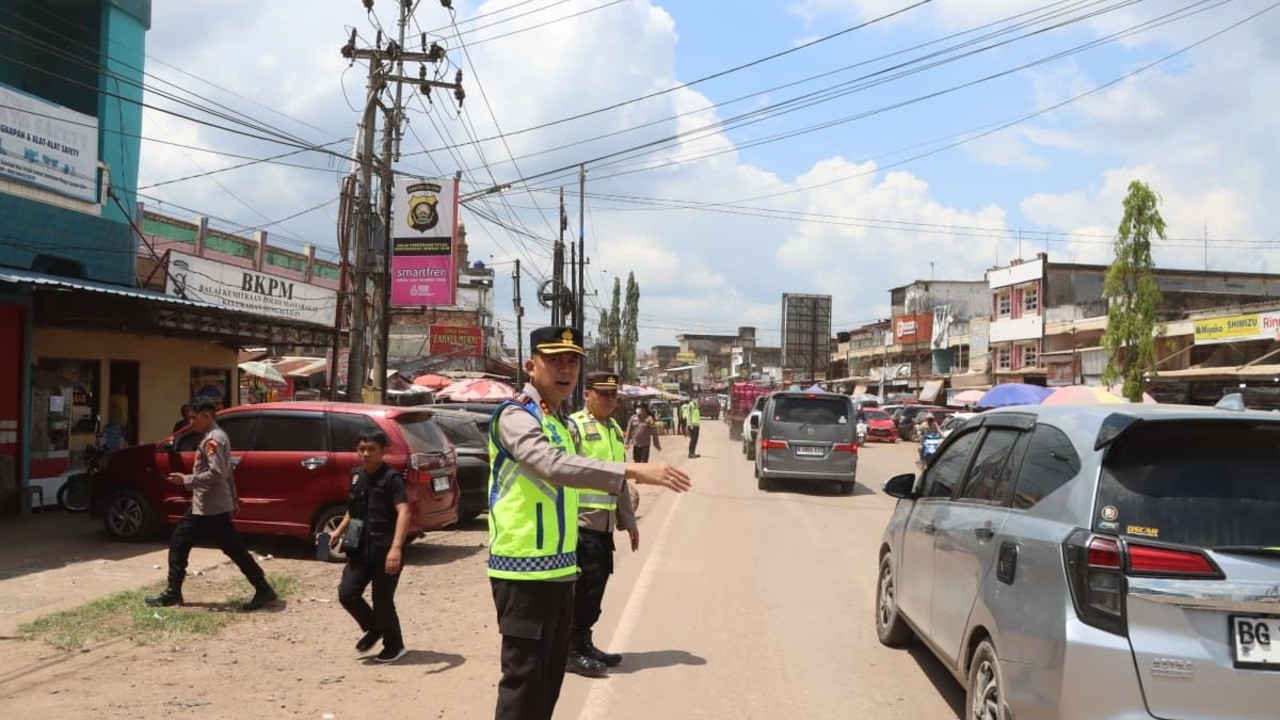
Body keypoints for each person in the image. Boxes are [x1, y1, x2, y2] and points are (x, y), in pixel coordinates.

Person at [488, 326, 692, 720]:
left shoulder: (557, 421)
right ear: (531, 366)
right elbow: (549, 464)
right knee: (523, 680)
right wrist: (632, 470)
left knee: (548, 680)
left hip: (561, 568)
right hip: (521, 570)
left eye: (573, 362)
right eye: (555, 360)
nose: (566, 369)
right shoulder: (516, 416)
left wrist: (625, 515)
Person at [146, 399, 276, 611]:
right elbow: (228, 472)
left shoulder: (213, 439)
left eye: (194, 417)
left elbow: (216, 474)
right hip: (206, 503)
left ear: (207, 415)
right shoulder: (215, 437)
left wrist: (186, 480)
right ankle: (173, 591)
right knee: (183, 542)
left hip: (209, 506)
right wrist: (233, 498)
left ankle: (263, 589)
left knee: (225, 548)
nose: (191, 422)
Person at [567, 372, 638, 678]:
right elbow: (564, 472)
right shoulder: (574, 426)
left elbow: (618, 479)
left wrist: (629, 521)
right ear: (587, 394)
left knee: (596, 589)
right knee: (583, 589)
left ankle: (585, 643)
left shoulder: (613, 428)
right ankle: (570, 651)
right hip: (580, 524)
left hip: (604, 526)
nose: (610, 399)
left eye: (613, 395)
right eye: (603, 393)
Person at [324, 430, 411, 663]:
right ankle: (375, 628)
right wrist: (337, 532)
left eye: (371, 449)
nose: (365, 453)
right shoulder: (356, 476)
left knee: (382, 601)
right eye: (362, 449)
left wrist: (396, 549)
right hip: (360, 548)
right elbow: (353, 509)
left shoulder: (391, 478)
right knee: (347, 594)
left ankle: (395, 646)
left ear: (382, 451)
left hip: (385, 550)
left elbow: (404, 511)